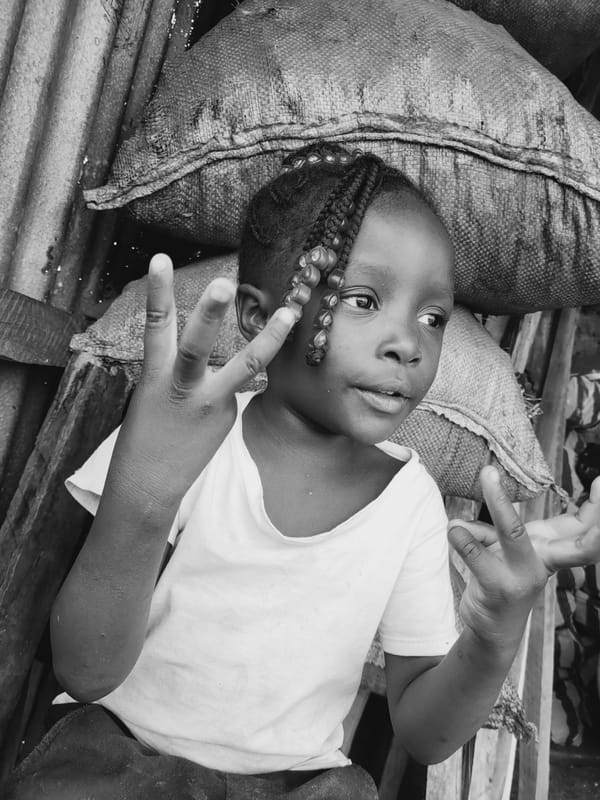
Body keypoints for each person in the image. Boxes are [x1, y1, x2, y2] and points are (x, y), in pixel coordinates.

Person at [5, 142, 600, 800]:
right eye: (365, 301)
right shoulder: (184, 439)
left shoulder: (409, 505)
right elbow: (85, 672)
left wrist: (494, 630)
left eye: (432, 317)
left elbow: (425, 733)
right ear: (261, 316)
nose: (409, 343)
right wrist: (143, 497)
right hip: (121, 758)